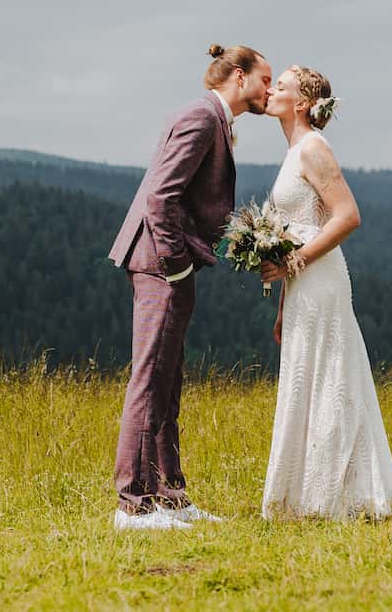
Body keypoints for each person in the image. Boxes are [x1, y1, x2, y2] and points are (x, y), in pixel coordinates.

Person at [107, 43, 272, 531]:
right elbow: (160, 198)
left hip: (169, 264)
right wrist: (176, 265)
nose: (269, 89)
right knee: (150, 377)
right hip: (160, 264)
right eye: (265, 79)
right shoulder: (202, 117)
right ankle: (132, 506)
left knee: (169, 379)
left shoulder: (211, 118)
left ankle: (169, 496)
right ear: (238, 77)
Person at [259, 65, 392, 520]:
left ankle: (340, 496)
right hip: (302, 284)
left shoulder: (313, 148)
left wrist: (296, 260)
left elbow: (347, 216)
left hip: (321, 279)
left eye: (281, 86)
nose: (270, 90)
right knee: (306, 378)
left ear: (302, 103)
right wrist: (284, 303)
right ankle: (308, 495)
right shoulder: (293, 152)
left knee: (329, 378)